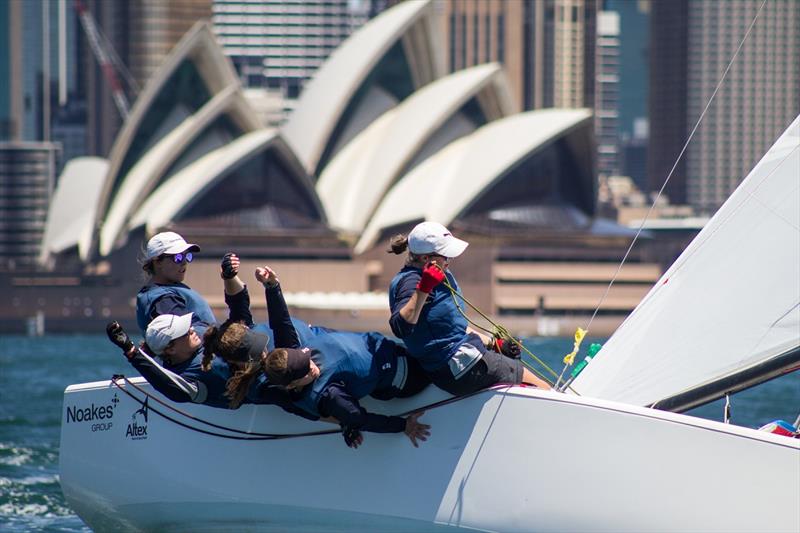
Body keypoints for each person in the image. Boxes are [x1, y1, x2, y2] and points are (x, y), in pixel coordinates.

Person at [212, 266, 431, 449]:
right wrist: (403, 425)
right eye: (306, 372)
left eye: (307, 360)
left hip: (388, 348)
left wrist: (272, 286)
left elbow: (281, 321)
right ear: (292, 385)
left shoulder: (292, 354)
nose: (313, 368)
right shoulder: (326, 395)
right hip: (406, 380)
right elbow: (357, 418)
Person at [387, 221, 551, 396]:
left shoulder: (434, 274)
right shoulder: (412, 282)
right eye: (445, 256)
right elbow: (400, 327)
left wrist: (494, 343)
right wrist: (424, 288)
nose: (449, 261)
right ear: (426, 259)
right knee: (542, 387)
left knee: (509, 360)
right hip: (456, 366)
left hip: (456, 361)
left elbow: (451, 326)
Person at [136, 231, 216, 336]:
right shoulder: (162, 300)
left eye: (186, 256)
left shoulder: (169, 289)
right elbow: (184, 338)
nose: (184, 262)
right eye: (177, 257)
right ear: (157, 262)